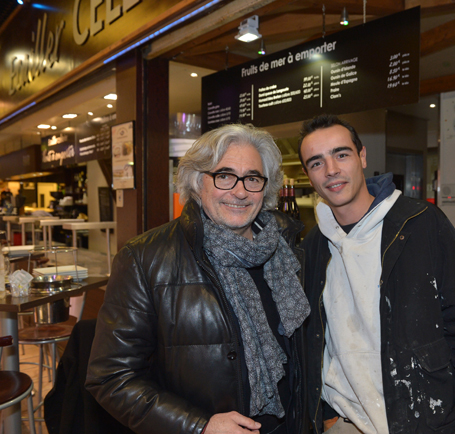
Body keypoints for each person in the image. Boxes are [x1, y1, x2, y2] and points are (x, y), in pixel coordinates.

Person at [86, 124, 311, 434]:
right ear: (196, 182)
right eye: (224, 175)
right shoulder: (145, 259)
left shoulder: (288, 252)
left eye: (253, 178)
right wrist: (199, 427)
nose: (240, 190)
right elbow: (110, 377)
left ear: (265, 187)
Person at [298, 114, 455, 434]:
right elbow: (315, 340)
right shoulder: (314, 244)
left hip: (423, 419)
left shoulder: (421, 224)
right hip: (346, 422)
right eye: (316, 162)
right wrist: (327, 414)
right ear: (308, 175)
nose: (331, 170)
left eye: (341, 154)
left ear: (362, 156)